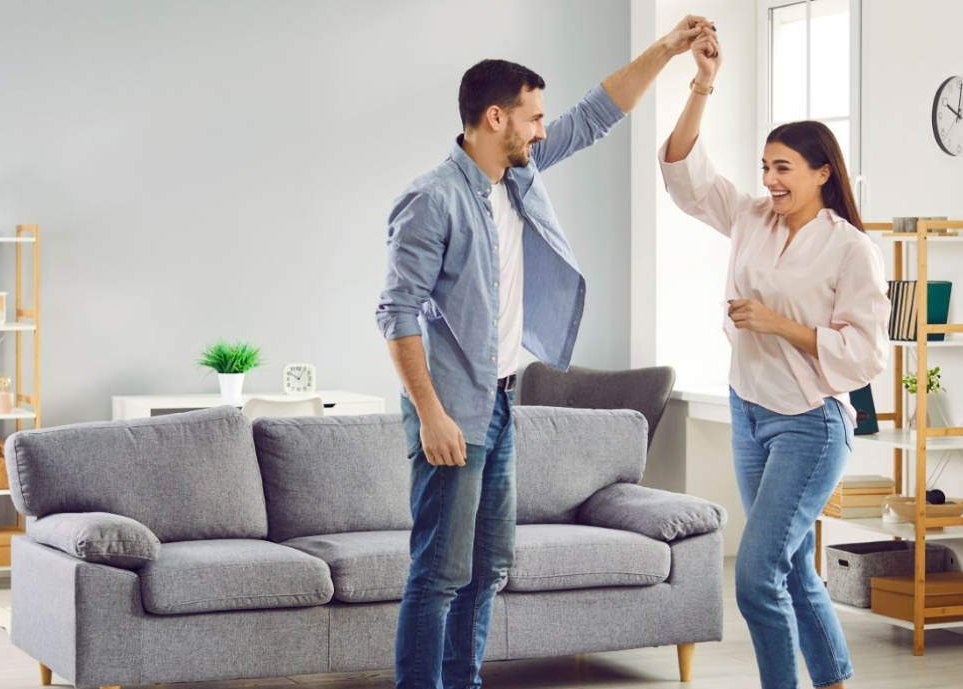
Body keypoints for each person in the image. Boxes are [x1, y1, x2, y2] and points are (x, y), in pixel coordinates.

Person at [374, 16, 710, 689]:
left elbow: (596, 113)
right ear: (495, 118)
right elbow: (396, 312)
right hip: (451, 412)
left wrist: (670, 50)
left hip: (500, 405)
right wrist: (431, 414)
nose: (543, 130)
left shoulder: (517, 177)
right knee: (439, 570)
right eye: (533, 118)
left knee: (488, 563)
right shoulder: (433, 199)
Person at [659, 23, 889, 689]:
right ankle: (836, 680)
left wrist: (779, 324)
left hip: (810, 423)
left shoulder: (851, 248)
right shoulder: (751, 216)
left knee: (757, 573)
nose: (769, 179)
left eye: (782, 167)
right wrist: (703, 82)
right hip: (749, 410)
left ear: (822, 172)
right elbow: (682, 172)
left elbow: (867, 353)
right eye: (764, 166)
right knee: (789, 567)